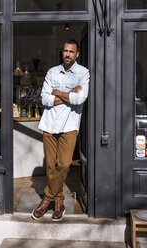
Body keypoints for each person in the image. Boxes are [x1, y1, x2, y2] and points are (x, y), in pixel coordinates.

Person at [32, 39, 89, 222]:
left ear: (77, 54)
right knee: (50, 167)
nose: (67, 54)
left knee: (64, 165)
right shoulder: (52, 72)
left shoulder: (83, 73)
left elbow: (79, 99)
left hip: (69, 125)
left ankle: (46, 198)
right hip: (49, 124)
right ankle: (59, 203)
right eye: (65, 51)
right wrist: (68, 94)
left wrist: (57, 92)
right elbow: (45, 100)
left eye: (71, 52)